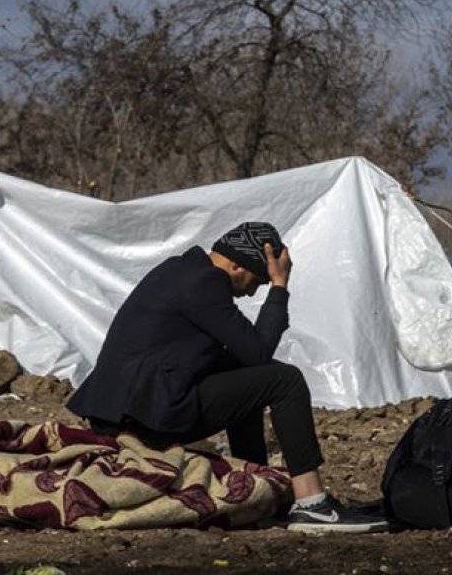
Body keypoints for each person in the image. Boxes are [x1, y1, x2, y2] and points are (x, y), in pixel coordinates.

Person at [67, 222, 388, 534]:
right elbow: (258, 351)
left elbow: (245, 360)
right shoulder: (204, 282)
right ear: (235, 264)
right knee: (284, 380)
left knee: (255, 379)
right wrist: (280, 285)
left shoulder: (180, 271)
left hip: (133, 408)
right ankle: (312, 502)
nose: (251, 291)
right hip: (147, 414)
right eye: (256, 279)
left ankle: (257, 493)